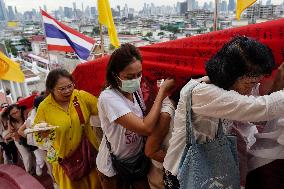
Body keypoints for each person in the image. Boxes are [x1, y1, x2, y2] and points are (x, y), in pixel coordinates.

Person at [163, 36, 284, 188]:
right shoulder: (202, 92)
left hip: (206, 167)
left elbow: (260, 110)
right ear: (231, 74)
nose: (251, 89)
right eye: (250, 83)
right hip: (183, 171)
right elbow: (258, 108)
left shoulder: (228, 88)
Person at [96, 43, 175, 189]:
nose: (136, 80)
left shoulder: (136, 92)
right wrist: (162, 92)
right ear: (115, 75)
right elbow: (145, 127)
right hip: (114, 169)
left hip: (137, 161)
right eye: (129, 76)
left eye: (139, 74)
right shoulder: (109, 98)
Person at [33, 68, 101, 189]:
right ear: (51, 89)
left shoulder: (81, 96)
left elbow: (103, 110)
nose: (68, 91)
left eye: (70, 86)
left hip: (89, 156)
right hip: (66, 164)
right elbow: (40, 139)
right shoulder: (44, 108)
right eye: (62, 89)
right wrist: (44, 134)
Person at [145, 83, 183, 189]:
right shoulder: (166, 115)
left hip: (170, 169)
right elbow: (150, 151)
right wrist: (184, 161)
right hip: (161, 174)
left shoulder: (178, 106)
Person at [6, 104, 35, 173]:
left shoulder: (25, 115)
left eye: (16, 112)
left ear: (20, 110)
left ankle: (34, 168)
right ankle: (27, 172)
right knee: (27, 156)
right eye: (12, 114)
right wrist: (17, 132)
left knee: (33, 154)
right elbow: (10, 134)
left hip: (29, 137)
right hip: (19, 140)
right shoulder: (10, 121)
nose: (15, 115)